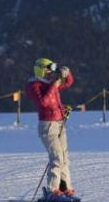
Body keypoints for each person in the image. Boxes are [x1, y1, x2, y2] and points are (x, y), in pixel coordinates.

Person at [25, 57, 79, 202]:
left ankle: (65, 189)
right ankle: (52, 191)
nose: (51, 74)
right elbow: (43, 102)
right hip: (48, 126)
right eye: (49, 70)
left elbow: (68, 82)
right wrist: (54, 84)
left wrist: (66, 73)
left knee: (65, 159)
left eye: (52, 71)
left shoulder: (49, 83)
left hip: (59, 123)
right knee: (56, 158)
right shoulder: (34, 85)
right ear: (41, 70)